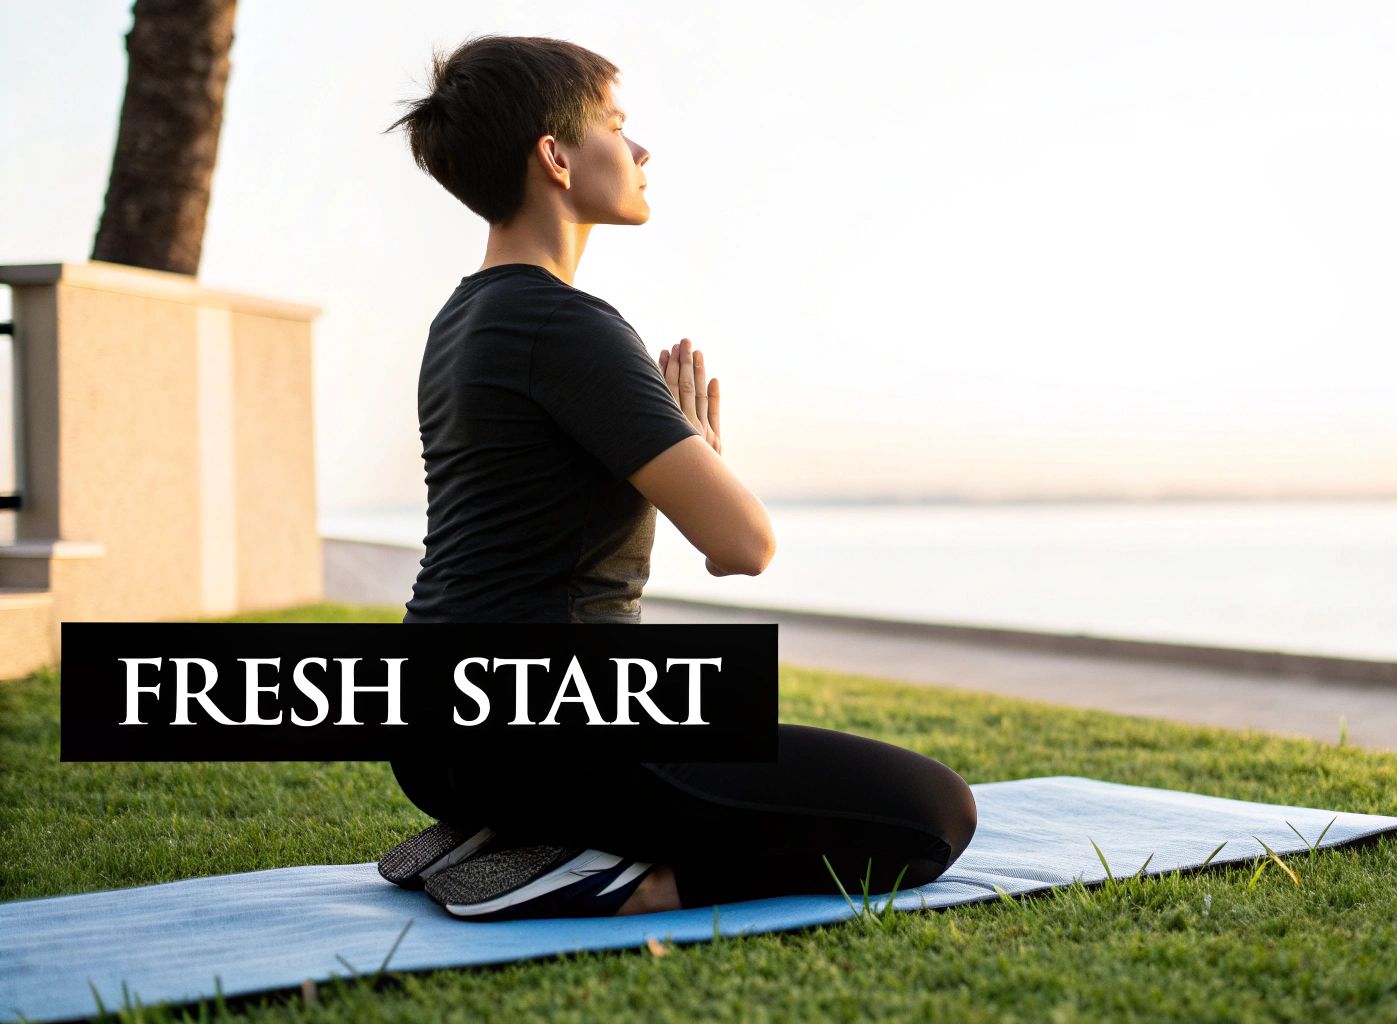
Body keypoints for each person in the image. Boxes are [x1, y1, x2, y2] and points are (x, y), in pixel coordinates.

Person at [376, 34, 977, 921]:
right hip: (554, 735)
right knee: (933, 815)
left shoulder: (458, 321)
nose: (641, 150)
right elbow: (744, 547)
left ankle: (512, 828)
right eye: (617, 126)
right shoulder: (567, 324)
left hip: (432, 737)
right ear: (555, 157)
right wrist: (698, 447)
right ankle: (616, 875)